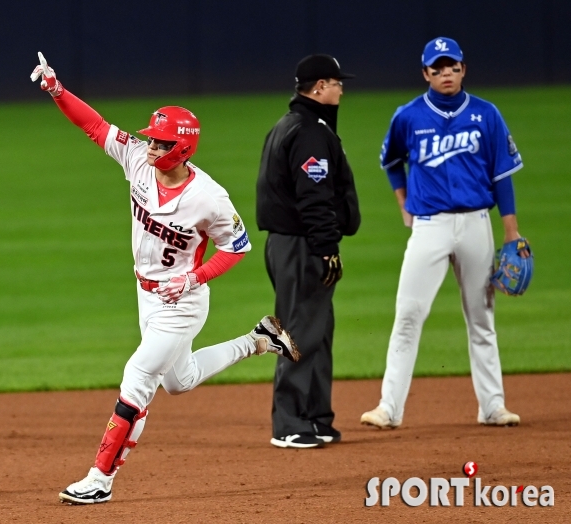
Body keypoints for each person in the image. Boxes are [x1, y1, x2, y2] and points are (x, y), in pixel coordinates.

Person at [29, 52, 300, 504]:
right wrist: (57, 91)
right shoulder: (137, 159)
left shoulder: (210, 198)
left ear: (183, 148)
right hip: (146, 294)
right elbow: (95, 126)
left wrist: (195, 278)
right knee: (179, 380)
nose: (150, 146)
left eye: (160, 142)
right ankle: (259, 340)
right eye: (151, 139)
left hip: (182, 305)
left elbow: (238, 246)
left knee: (137, 378)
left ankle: (100, 480)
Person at [361, 37, 525, 429]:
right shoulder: (408, 116)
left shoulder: (487, 114)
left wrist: (512, 233)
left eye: (453, 66)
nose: (446, 74)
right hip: (429, 227)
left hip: (476, 225)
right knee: (408, 315)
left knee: (481, 317)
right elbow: (392, 161)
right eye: (438, 68)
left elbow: (502, 176)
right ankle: (389, 408)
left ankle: (492, 406)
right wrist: (403, 204)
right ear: (426, 74)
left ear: (464, 69)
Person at [256, 54, 361, 449]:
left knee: (317, 329)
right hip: (300, 246)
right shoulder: (309, 132)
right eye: (336, 82)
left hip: (297, 244)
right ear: (319, 87)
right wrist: (326, 246)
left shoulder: (295, 125)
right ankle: (289, 423)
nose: (341, 88)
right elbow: (313, 197)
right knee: (299, 329)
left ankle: (316, 417)